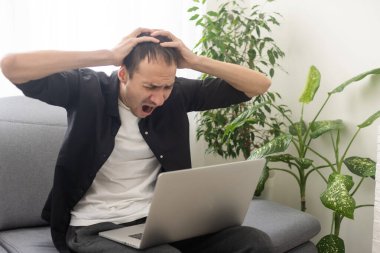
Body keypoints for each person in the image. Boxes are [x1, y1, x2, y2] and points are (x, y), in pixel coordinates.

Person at [1, 28, 274, 253]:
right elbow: (11, 66)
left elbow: (258, 85)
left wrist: (193, 61)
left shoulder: (177, 95)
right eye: (150, 87)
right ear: (123, 74)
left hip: (158, 223)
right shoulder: (86, 89)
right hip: (93, 227)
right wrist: (108, 55)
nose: (159, 98)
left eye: (166, 86)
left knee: (254, 242)